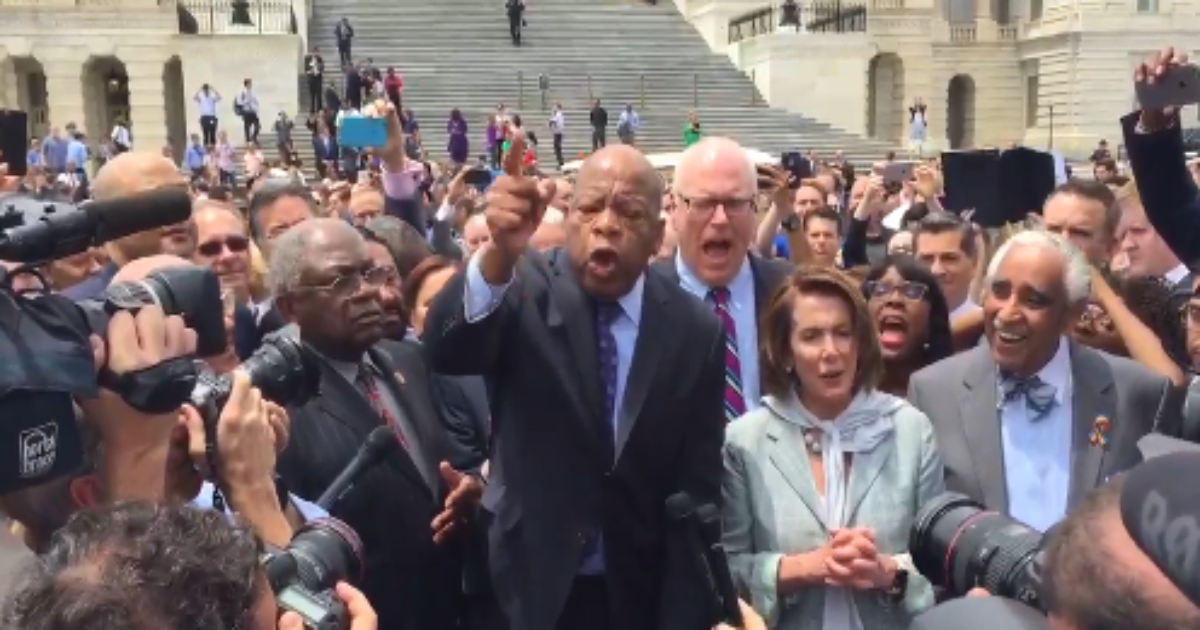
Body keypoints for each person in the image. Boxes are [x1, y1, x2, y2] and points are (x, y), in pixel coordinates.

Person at [422, 136, 726, 630]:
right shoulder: (522, 287)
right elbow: (446, 349)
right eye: (589, 209)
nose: (607, 224)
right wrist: (498, 253)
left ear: (657, 234)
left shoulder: (695, 331)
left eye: (628, 213)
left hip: (636, 597)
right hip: (525, 592)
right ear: (565, 223)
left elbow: (697, 486)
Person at [270, 219, 469, 630]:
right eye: (340, 281)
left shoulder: (409, 360)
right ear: (289, 307)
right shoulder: (277, 405)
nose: (367, 292)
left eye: (368, 273)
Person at [908, 230, 1175, 533]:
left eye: (1033, 300)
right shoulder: (933, 391)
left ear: (1072, 315)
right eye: (1000, 291)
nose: (1008, 313)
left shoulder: (1137, 393)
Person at [723, 264, 941, 629]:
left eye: (843, 333)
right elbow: (728, 570)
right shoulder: (746, 440)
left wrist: (886, 572)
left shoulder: (910, 430)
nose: (831, 351)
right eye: (811, 336)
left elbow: (939, 568)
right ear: (786, 352)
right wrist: (800, 568)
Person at [654, 137, 792, 420]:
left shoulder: (789, 291)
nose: (720, 219)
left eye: (735, 203)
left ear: (755, 209)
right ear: (674, 209)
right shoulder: (641, 297)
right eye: (703, 203)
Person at [862, 254, 954, 397]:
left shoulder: (953, 392)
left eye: (912, 291)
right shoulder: (841, 392)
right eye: (881, 289)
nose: (895, 299)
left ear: (932, 316)